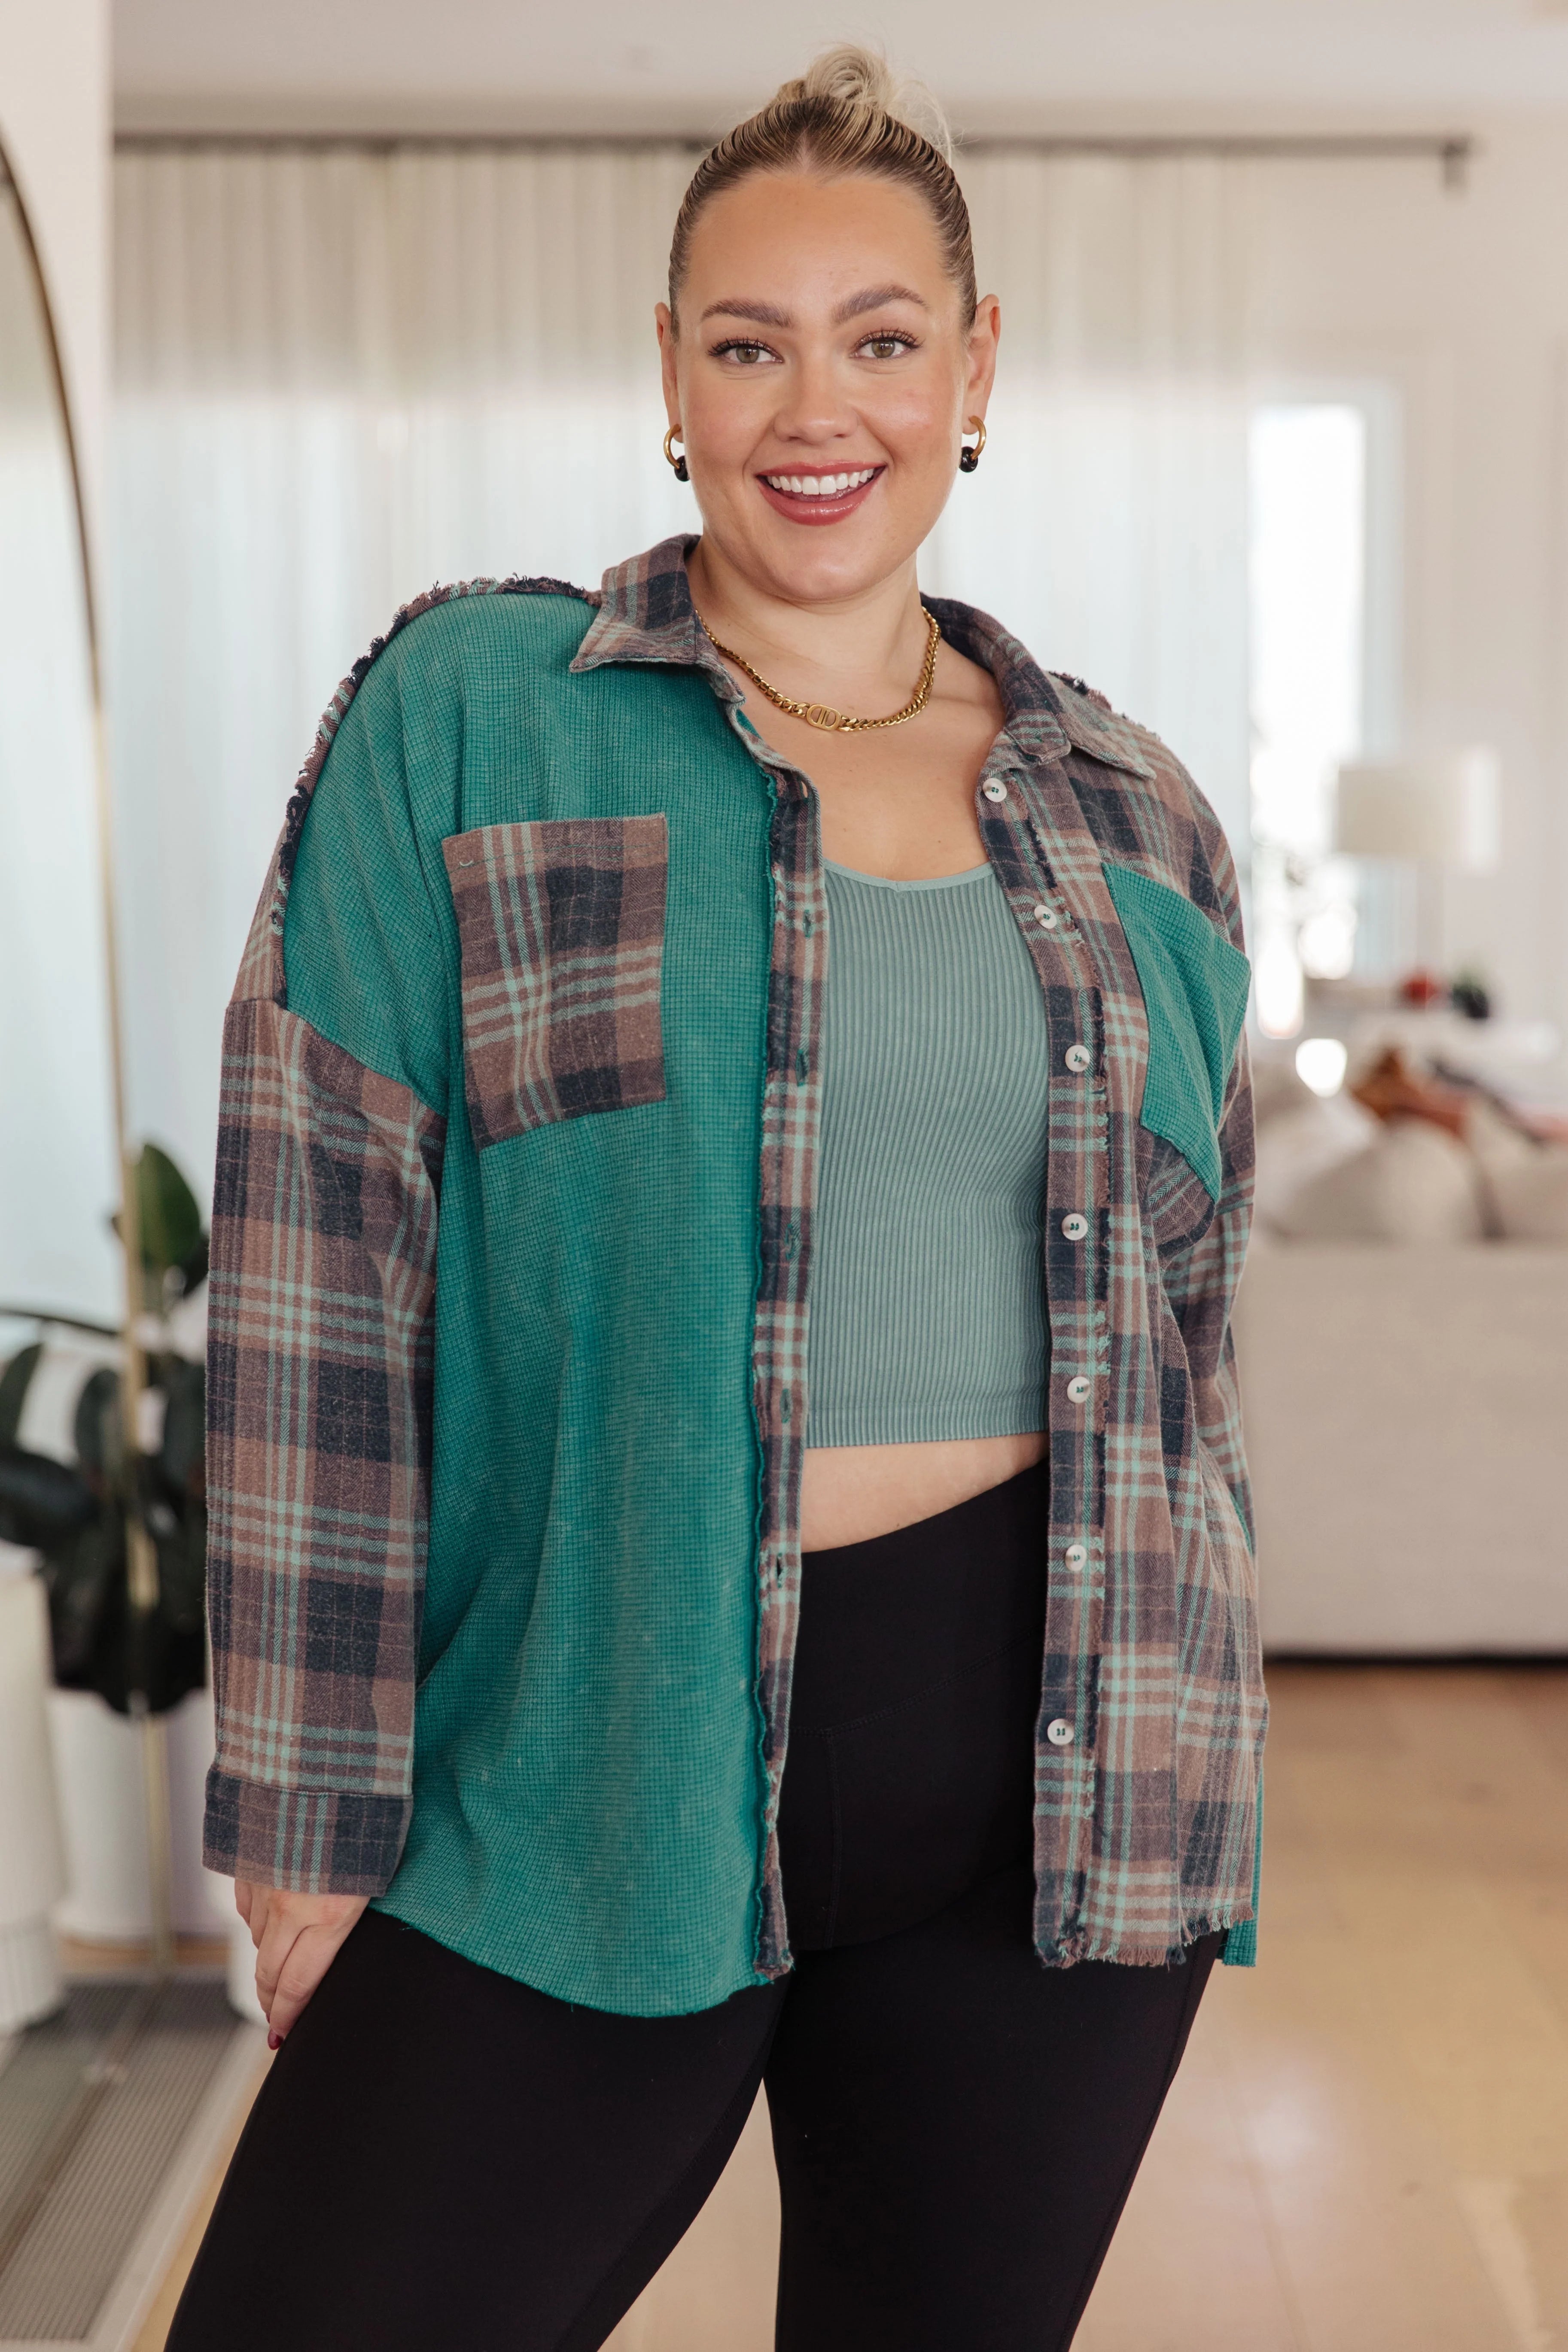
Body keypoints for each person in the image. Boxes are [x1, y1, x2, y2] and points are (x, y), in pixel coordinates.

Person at [169, 46, 1266, 2352]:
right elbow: (311, 1263)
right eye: (750, 343)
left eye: (882, 337)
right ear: (668, 373)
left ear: (976, 371)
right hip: (583, 1770)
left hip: (1047, 1830)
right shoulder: (476, 710)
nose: (815, 405)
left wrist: (1200, 1771)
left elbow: (1191, 1344)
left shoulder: (1137, 815)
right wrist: (301, 1800)